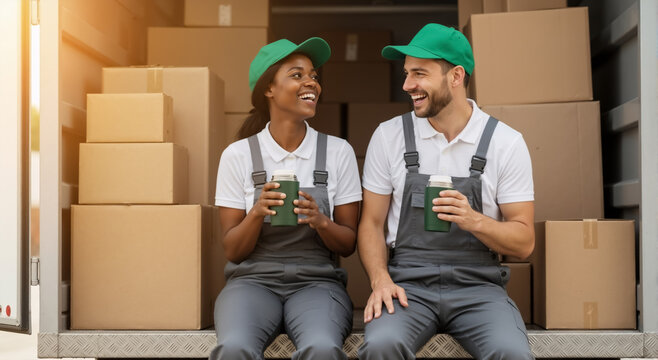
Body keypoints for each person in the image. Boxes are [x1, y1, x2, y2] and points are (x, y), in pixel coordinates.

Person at [357, 23, 535, 360]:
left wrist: (473, 220)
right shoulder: (389, 136)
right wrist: (380, 279)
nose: (408, 85)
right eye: (407, 73)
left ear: (455, 76)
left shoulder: (505, 143)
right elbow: (370, 223)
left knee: (511, 353)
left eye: (419, 73)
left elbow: (524, 241)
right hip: (406, 285)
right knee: (381, 346)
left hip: (479, 287)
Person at [208, 37, 362, 360]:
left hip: (318, 284)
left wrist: (320, 221)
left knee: (322, 349)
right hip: (250, 283)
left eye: (314, 77)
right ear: (269, 89)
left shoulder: (338, 152)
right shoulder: (237, 156)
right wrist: (256, 213)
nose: (311, 83)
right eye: (297, 75)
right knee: (234, 349)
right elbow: (232, 249)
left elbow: (348, 244)